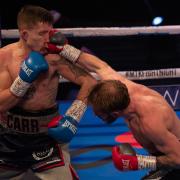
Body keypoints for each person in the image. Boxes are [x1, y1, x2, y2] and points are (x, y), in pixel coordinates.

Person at [56, 41, 180, 179]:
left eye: (100, 113)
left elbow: (177, 159)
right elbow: (97, 65)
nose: (97, 115)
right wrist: (63, 48)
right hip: (166, 154)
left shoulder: (150, 121)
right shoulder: (116, 88)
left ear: (115, 113)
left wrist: (139, 162)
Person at [0, 5, 97, 180]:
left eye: (50, 32)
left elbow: (89, 81)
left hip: (47, 138)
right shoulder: (4, 58)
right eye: (42, 33)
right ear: (24, 35)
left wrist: (74, 116)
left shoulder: (54, 57)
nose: (49, 39)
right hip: (7, 139)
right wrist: (23, 81)